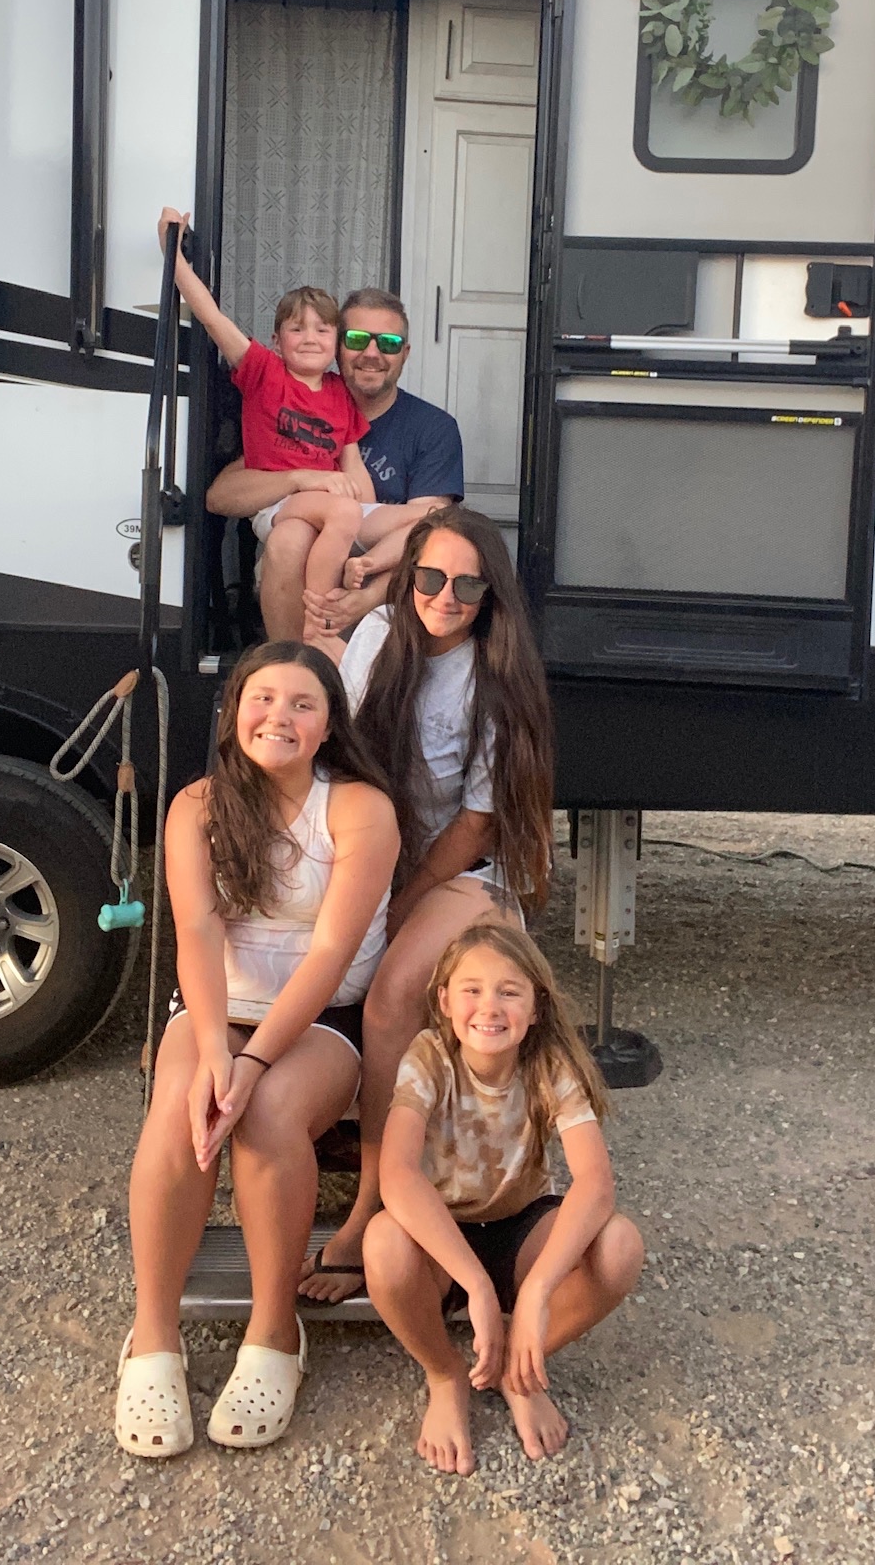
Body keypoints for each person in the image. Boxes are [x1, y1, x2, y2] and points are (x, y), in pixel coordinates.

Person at [118, 641, 399, 1457]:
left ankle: (276, 1332)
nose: (279, 715)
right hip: (216, 1006)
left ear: (326, 726)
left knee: (269, 1112)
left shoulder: (357, 809)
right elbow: (198, 931)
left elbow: (332, 953)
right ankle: (152, 1337)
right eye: (263, 698)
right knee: (180, 1109)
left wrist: (249, 1065)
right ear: (234, 710)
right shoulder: (196, 806)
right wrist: (214, 1050)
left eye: (303, 704)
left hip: (320, 1015)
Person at [300, 504, 554, 1306]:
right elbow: (332, 748)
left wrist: (399, 901)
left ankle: (372, 1205)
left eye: (466, 582)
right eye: (431, 577)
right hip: (373, 850)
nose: (445, 594)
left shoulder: (493, 676)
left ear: (490, 592)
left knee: (391, 998)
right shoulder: (377, 635)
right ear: (409, 576)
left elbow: (478, 822)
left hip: (461, 870)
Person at [365, 925, 643, 1471]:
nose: (488, 1007)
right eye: (471, 989)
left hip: (521, 1227)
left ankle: (520, 1369)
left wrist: (537, 1292)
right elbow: (396, 1174)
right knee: (384, 1245)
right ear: (444, 1001)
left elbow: (594, 1182)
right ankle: (446, 1375)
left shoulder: (550, 1063)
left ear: (536, 1006)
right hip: (443, 1236)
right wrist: (473, 1284)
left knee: (620, 1246)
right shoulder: (429, 1056)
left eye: (509, 992)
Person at [158, 209, 434, 651]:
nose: (310, 337)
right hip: (281, 503)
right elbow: (210, 317)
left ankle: (355, 582)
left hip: (328, 506)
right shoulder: (264, 373)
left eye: (323, 330)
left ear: (336, 343)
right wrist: (171, 253)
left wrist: (365, 508)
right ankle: (317, 625)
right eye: (296, 328)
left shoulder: (339, 393)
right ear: (276, 339)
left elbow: (352, 465)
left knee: (430, 518)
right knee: (340, 514)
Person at [206, 287, 464, 643]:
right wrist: (300, 478)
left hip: (383, 586)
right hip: (298, 574)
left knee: (436, 526)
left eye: (388, 343)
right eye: (357, 339)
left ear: (405, 353)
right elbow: (220, 497)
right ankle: (294, 664)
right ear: (339, 346)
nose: (372, 353)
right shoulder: (293, 409)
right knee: (289, 537)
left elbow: (427, 539)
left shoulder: (432, 428)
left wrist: (363, 599)